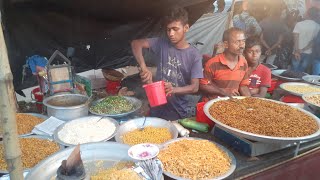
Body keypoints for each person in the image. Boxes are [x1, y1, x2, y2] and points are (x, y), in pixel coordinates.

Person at [131, 7, 203, 120]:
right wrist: (143, 67)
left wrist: (173, 89)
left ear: (186, 28)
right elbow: (136, 44)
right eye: (168, 29)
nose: (171, 34)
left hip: (178, 111)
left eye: (175, 29)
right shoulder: (162, 43)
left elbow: (195, 87)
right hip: (156, 105)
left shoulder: (194, 55)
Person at [200, 27, 251, 101]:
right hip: (213, 104)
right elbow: (203, 85)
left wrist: (251, 102)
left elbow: (243, 86)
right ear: (226, 44)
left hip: (232, 105)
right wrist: (223, 92)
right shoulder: (212, 63)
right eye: (237, 42)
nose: (242, 46)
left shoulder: (244, 63)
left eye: (243, 41)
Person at [292, 7, 320, 73]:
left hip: (296, 52)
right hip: (309, 53)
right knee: (302, 72)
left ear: (307, 14)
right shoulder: (318, 26)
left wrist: (297, 51)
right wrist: (303, 50)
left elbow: (295, 38)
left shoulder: (299, 24)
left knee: (293, 71)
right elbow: (314, 41)